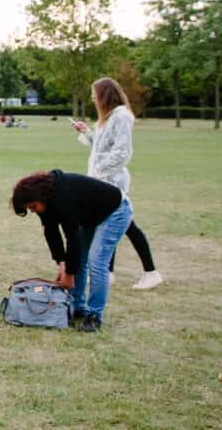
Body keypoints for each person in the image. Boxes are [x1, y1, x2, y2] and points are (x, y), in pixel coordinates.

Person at [11, 169, 133, 332]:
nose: (33, 211)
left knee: (96, 262)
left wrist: (69, 274)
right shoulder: (45, 202)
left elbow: (72, 239)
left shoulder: (63, 196)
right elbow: (51, 232)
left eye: (33, 206)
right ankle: (77, 307)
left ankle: (94, 315)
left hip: (115, 211)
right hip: (91, 216)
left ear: (40, 196)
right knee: (78, 261)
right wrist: (61, 262)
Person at [72, 77, 163, 290]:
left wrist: (99, 172)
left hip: (111, 182)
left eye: (95, 94)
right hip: (101, 180)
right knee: (109, 223)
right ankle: (109, 272)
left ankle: (151, 272)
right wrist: (86, 132)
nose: (92, 97)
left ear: (105, 94)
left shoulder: (121, 116)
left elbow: (122, 152)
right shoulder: (107, 117)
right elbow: (101, 147)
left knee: (127, 226)